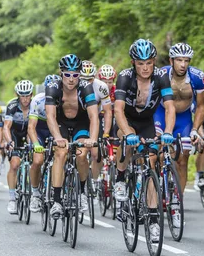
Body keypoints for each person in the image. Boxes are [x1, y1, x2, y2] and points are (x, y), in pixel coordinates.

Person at [113, 39, 175, 242]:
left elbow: (170, 107)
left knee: (150, 163)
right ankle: (121, 179)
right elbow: (118, 110)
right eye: (140, 63)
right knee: (127, 141)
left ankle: (154, 221)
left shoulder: (161, 77)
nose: (145, 67)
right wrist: (129, 134)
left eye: (149, 62)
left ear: (154, 61)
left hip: (147, 121)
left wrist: (167, 131)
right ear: (133, 63)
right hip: (127, 120)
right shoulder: (124, 77)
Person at [45, 54, 99, 219]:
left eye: (75, 75)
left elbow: (94, 117)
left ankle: (82, 192)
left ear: (79, 75)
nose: (71, 79)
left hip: (80, 124)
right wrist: (57, 137)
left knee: (82, 155)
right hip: (60, 123)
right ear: (61, 74)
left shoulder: (86, 88)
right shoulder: (53, 87)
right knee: (60, 153)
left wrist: (93, 139)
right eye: (67, 74)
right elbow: (50, 116)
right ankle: (56, 200)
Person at [154, 43, 204, 197]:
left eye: (186, 60)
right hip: (161, 115)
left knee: (183, 160)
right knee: (158, 152)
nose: (183, 65)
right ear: (171, 61)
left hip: (183, 119)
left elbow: (201, 107)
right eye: (179, 60)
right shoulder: (161, 74)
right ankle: (155, 184)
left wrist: (195, 129)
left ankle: (177, 202)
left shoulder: (197, 77)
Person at [28, 74, 60, 213]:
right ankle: (35, 194)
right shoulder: (37, 100)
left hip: (56, 129)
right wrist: (36, 144)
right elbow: (31, 127)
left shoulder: (63, 99)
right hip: (40, 130)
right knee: (37, 160)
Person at [80, 60, 112, 194]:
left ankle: (92, 180)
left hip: (95, 119)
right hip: (80, 119)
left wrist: (106, 133)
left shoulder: (101, 86)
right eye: (84, 79)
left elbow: (108, 111)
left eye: (90, 79)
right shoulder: (74, 86)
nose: (87, 82)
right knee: (81, 152)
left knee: (97, 153)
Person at [4, 80, 34, 214]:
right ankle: (11, 198)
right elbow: (6, 127)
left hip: (29, 133)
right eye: (22, 95)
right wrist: (10, 142)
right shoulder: (12, 106)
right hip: (14, 135)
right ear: (18, 95)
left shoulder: (35, 105)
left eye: (28, 95)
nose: (25, 99)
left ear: (31, 94)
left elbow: (33, 128)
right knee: (15, 164)